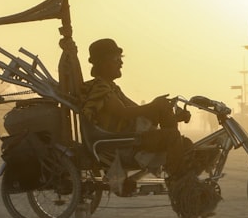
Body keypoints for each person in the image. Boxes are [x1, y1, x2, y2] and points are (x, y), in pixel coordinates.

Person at [79, 38, 192, 180]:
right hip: (121, 144)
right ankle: (180, 184)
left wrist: (171, 114)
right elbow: (124, 113)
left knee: (185, 144)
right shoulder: (100, 88)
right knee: (173, 137)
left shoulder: (112, 87)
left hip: (131, 139)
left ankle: (183, 177)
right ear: (103, 63)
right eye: (116, 58)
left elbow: (138, 111)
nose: (121, 62)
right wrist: (154, 105)